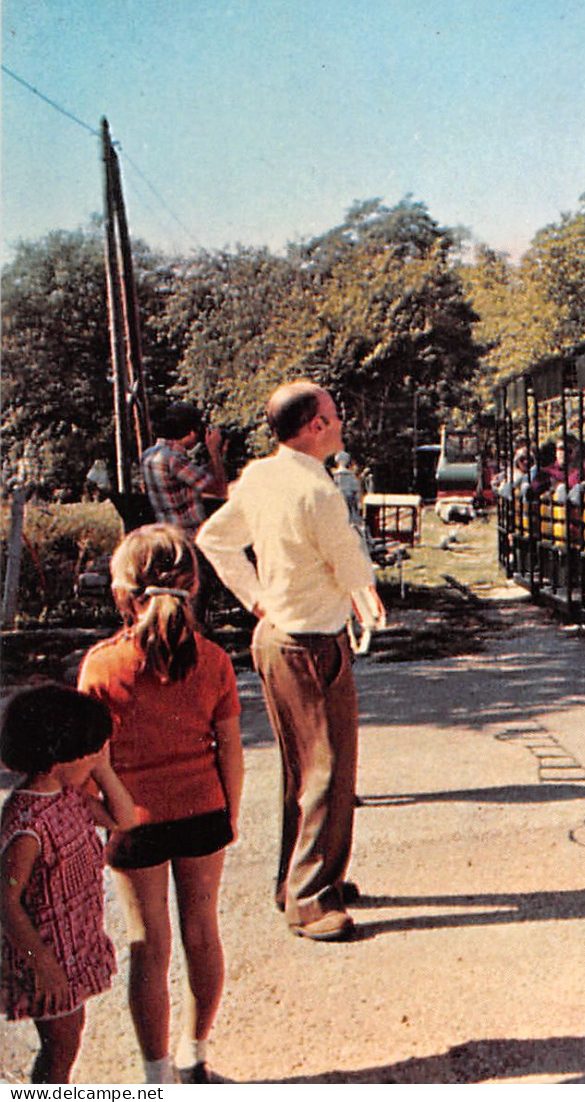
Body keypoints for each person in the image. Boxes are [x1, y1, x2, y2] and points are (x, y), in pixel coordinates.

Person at [197, 382, 382, 943]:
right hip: (310, 643)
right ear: (316, 427)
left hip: (280, 636)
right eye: (335, 413)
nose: (341, 420)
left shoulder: (259, 477)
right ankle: (309, 901)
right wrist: (368, 601)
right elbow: (350, 565)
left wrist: (257, 597)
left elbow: (214, 538)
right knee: (327, 769)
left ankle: (303, 880)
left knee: (306, 770)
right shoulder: (318, 493)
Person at [78, 524, 243, 1084]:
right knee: (203, 931)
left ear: (123, 591)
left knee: (148, 944)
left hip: (135, 824)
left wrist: (107, 820)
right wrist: (229, 815)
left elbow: (82, 766)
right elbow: (231, 753)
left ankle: (157, 1077)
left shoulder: (101, 666)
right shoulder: (215, 660)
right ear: (194, 585)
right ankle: (195, 1052)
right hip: (204, 813)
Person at [1, 684, 138, 1083]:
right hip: (43, 955)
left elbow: (123, 819)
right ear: (58, 757)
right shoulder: (27, 824)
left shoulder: (68, 794)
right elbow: (6, 899)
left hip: (72, 943)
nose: (98, 757)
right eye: (91, 751)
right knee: (59, 1046)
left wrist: (102, 769)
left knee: (69, 1036)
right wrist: (44, 966)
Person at [141, 402, 227, 539]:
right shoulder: (174, 460)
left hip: (168, 534)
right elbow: (219, 490)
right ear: (192, 433)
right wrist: (214, 452)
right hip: (190, 536)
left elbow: (201, 477)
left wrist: (216, 456)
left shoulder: (149, 455)